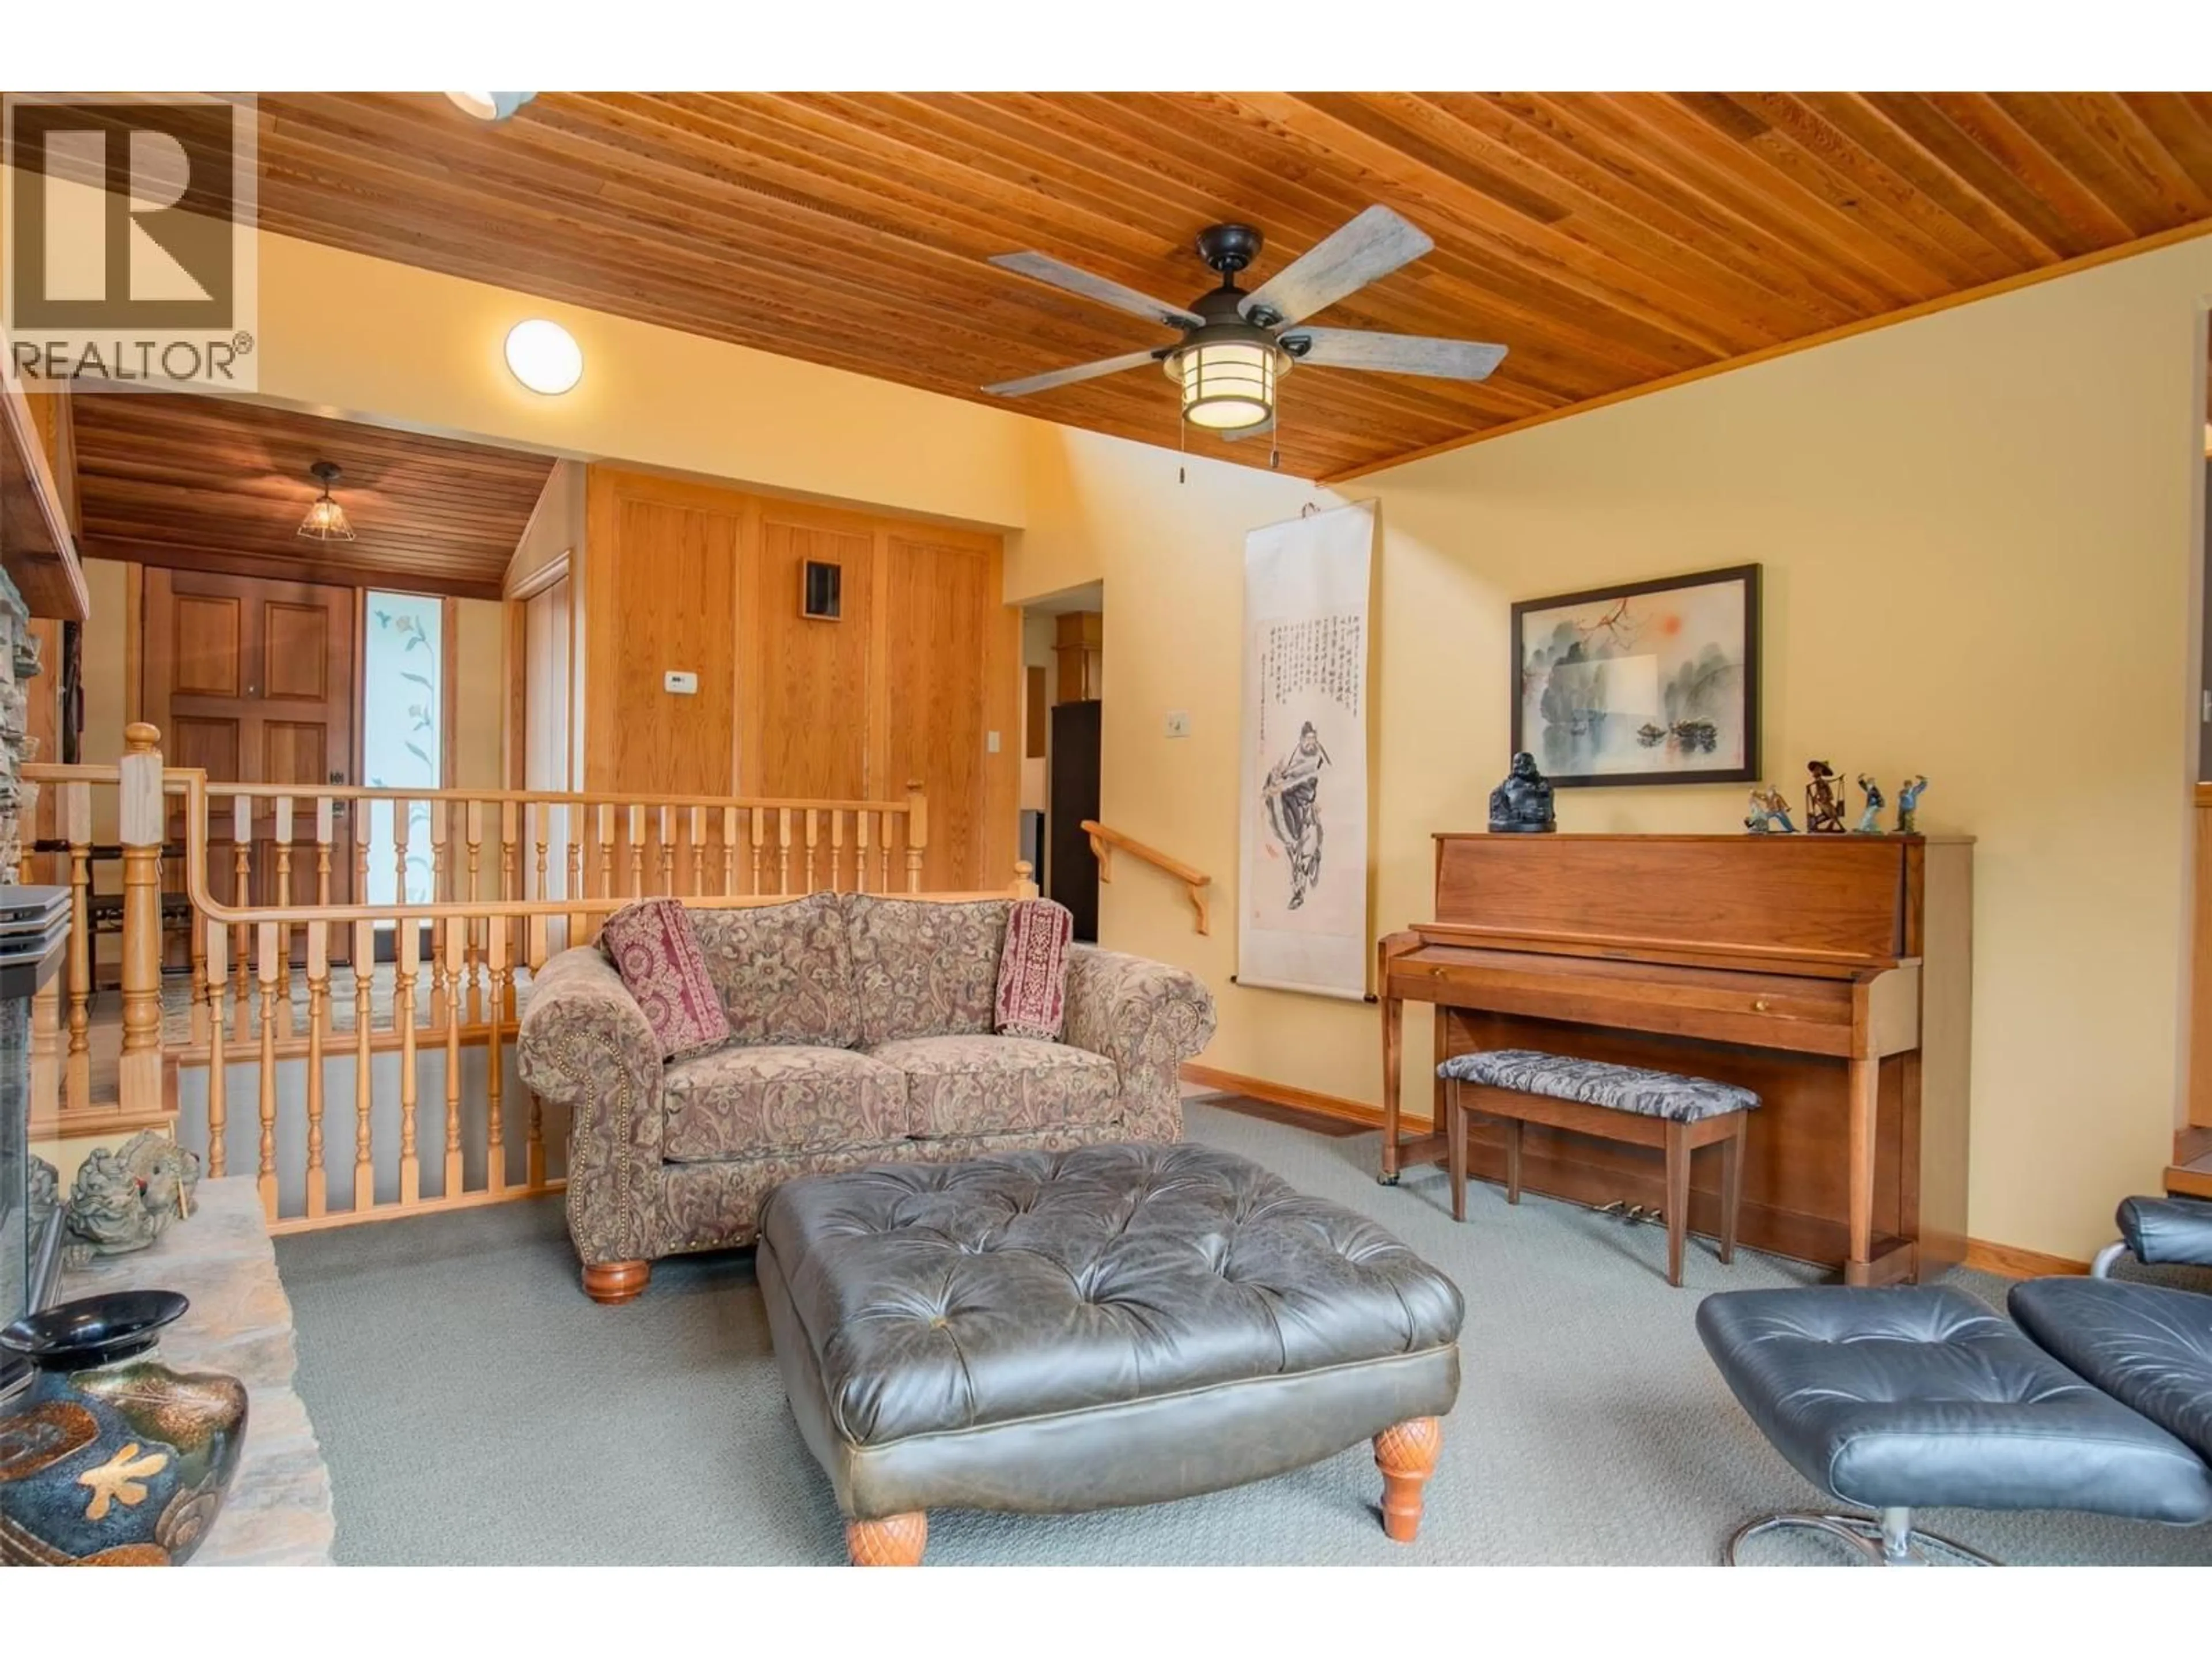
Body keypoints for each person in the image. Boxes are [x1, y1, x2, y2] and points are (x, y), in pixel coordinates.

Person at [1262, 722, 1330, 910]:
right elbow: (1280, 778)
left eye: (1313, 739)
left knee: (1307, 849)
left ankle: (1301, 887)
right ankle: (1298, 890)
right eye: (1308, 740)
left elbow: (1324, 771)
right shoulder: (1290, 756)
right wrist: (1279, 784)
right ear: (1301, 740)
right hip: (1291, 808)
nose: (1311, 743)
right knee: (1292, 851)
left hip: (1307, 808)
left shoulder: (1318, 756)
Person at [1488, 751, 1556, 834]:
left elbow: (1546, 813)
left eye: (1527, 763)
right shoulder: (1502, 790)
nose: (1522, 765)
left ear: (1534, 766)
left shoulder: (1543, 788)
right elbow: (1498, 815)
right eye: (1518, 762)